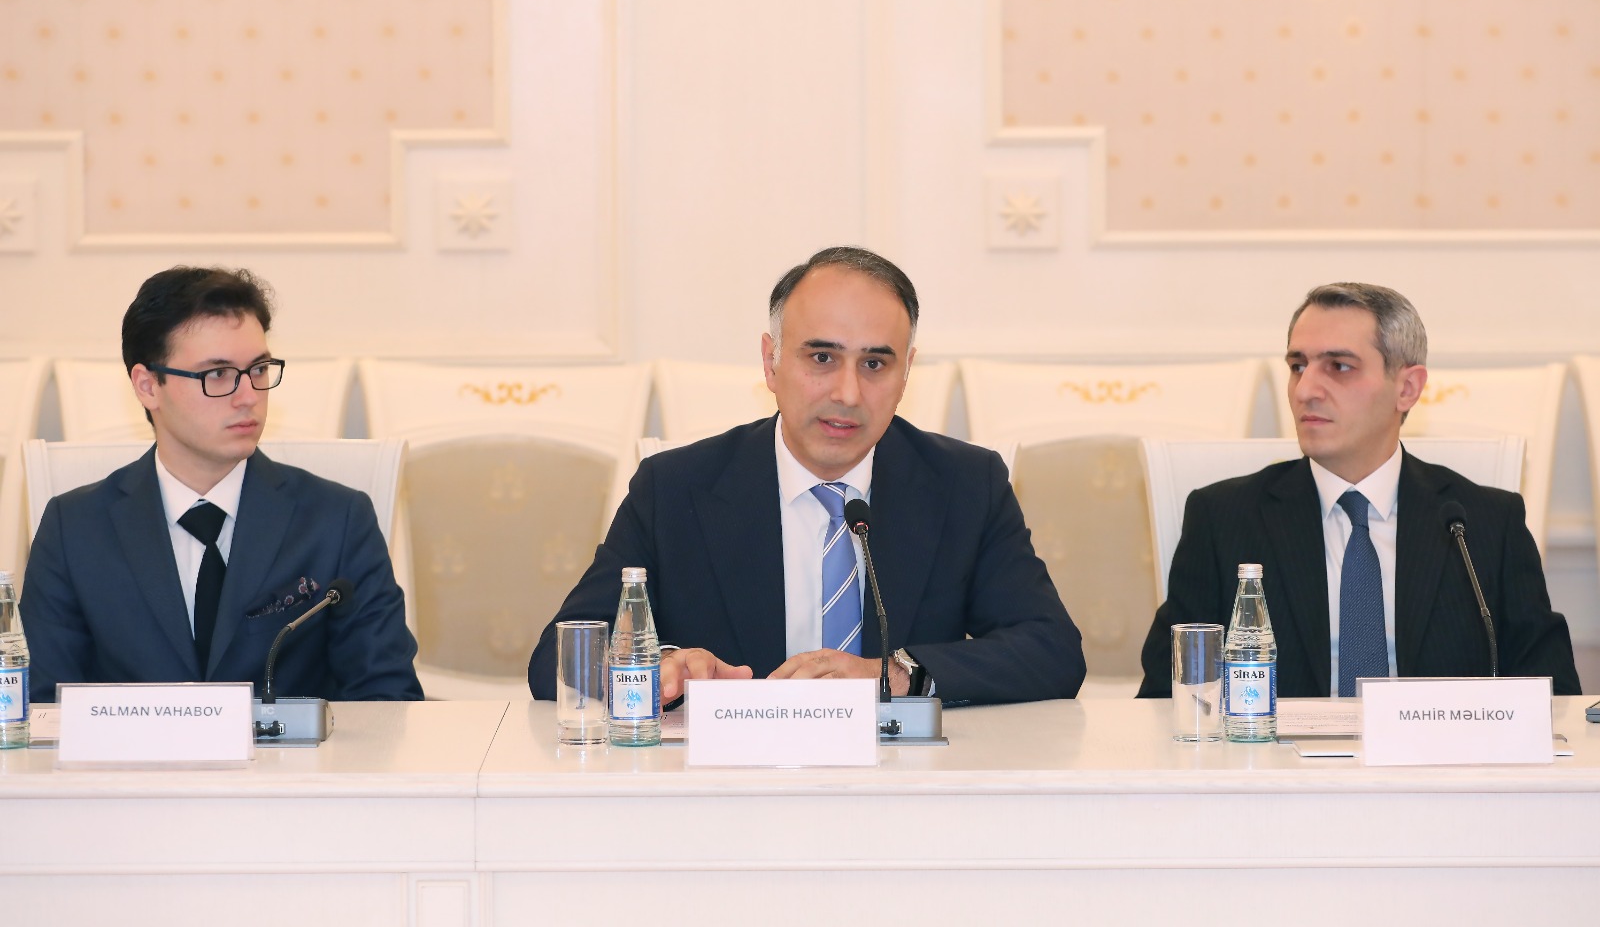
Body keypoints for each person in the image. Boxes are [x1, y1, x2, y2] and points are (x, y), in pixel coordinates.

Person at [529, 246, 1084, 705]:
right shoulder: (675, 488)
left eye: (875, 364)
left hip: (906, 782)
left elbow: (1052, 650)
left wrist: (893, 675)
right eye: (821, 358)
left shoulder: (964, 485)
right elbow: (557, 660)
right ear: (770, 362)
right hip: (730, 789)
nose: (848, 393)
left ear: (907, 372)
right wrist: (663, 665)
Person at [1138, 282, 1580, 698]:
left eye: (1339, 367)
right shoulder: (1223, 520)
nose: (1305, 390)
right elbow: (1165, 699)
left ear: (1406, 388)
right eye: (1298, 366)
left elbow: (1554, 696)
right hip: (1276, 756)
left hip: (1436, 756)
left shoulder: (1483, 523)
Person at [22, 266, 423, 701]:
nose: (248, 396)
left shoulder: (337, 521)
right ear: (148, 386)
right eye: (217, 374)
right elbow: (41, 706)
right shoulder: (74, 530)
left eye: (259, 369)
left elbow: (387, 701)